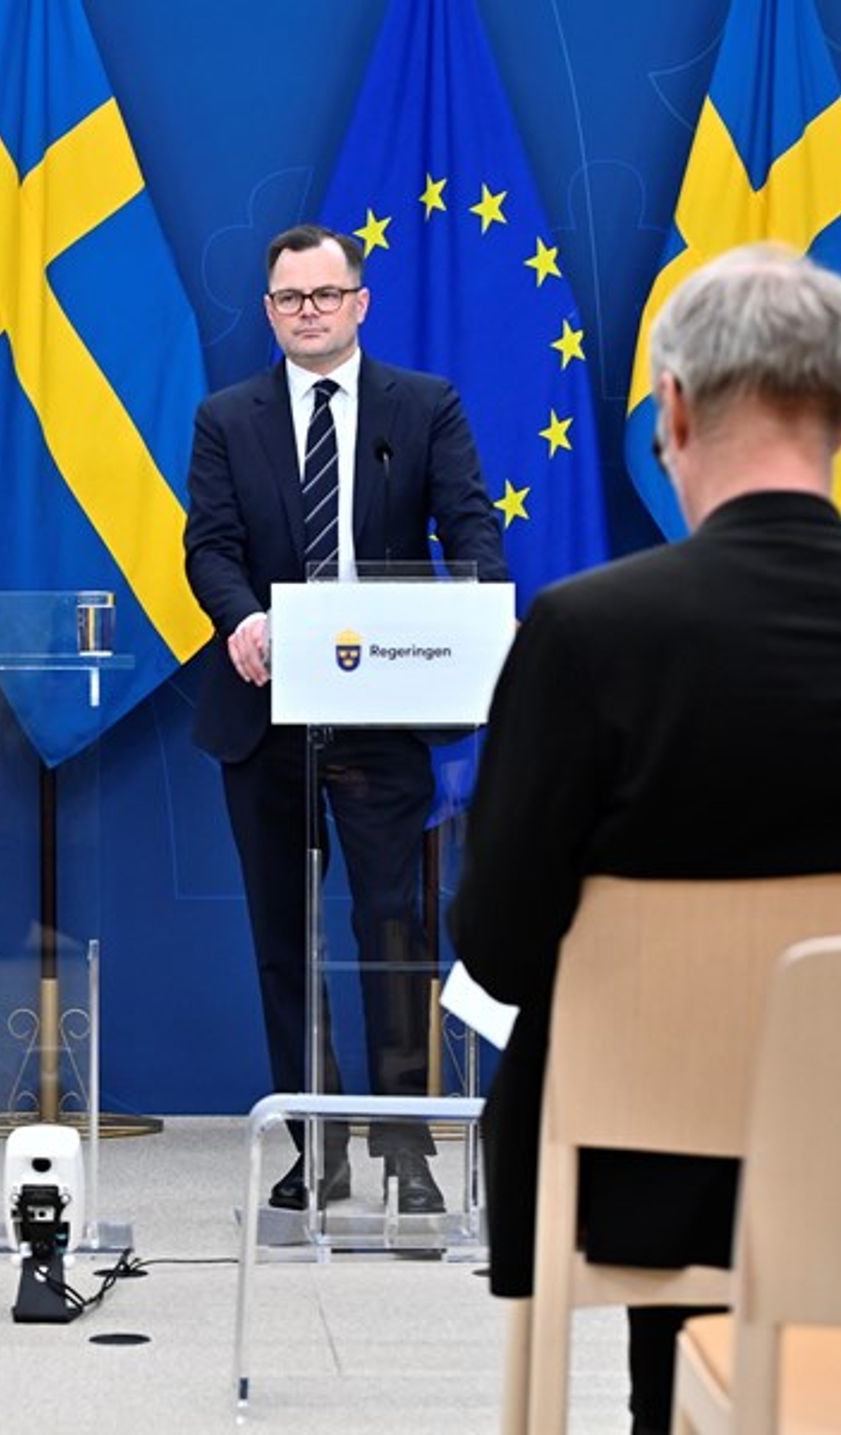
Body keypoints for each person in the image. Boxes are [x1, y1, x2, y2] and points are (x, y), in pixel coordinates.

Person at [452, 244, 841, 1434]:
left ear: (670, 410)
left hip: (631, 1174)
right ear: (840, 414)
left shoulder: (587, 634)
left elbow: (504, 948)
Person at [183, 224, 506, 1214]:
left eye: (327, 294)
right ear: (270, 309)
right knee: (286, 935)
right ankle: (312, 1143)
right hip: (265, 710)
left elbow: (470, 524)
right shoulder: (226, 417)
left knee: (392, 927)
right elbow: (210, 546)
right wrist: (239, 618)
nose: (309, 311)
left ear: (360, 303)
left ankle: (407, 1146)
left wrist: (486, 615)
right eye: (289, 298)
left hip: (381, 711)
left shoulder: (424, 405)